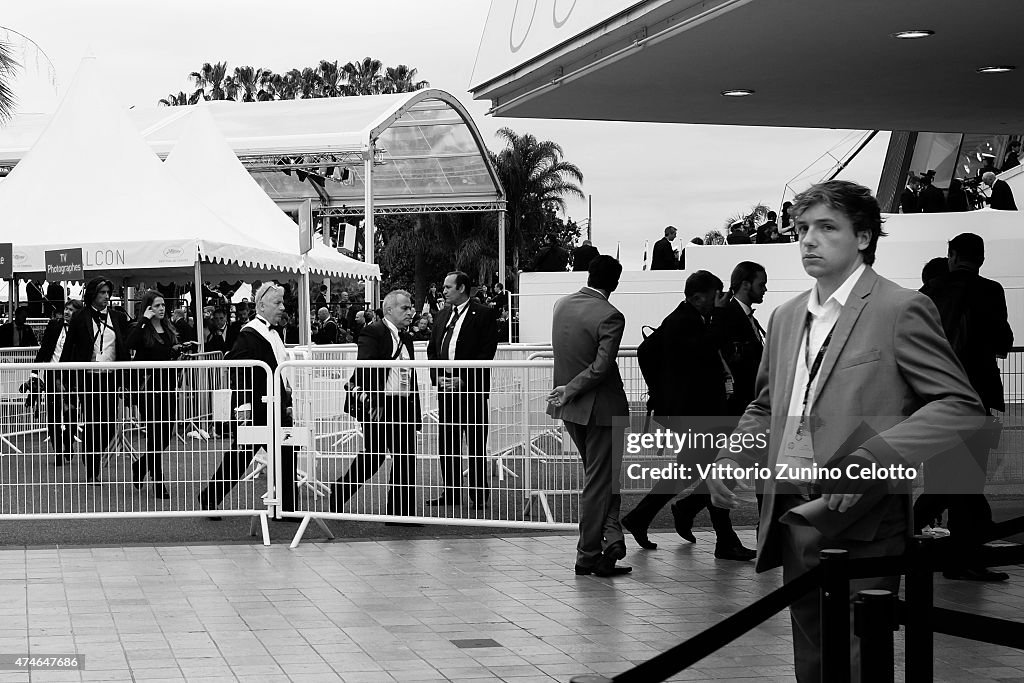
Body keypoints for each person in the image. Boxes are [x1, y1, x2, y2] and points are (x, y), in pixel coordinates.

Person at [705, 180, 986, 683]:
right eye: (802, 229)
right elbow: (767, 405)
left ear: (862, 237)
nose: (808, 241)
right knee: (812, 658)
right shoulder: (786, 316)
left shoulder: (901, 308)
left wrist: (876, 457)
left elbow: (960, 405)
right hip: (792, 508)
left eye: (826, 228)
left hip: (864, 517)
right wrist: (733, 456)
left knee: (857, 660)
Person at [620, 270, 755, 561]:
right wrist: (719, 316)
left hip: (698, 411)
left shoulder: (686, 320)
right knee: (715, 471)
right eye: (713, 296)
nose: (717, 301)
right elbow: (706, 349)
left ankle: (644, 517)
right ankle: (721, 537)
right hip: (696, 412)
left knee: (692, 470)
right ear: (697, 297)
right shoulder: (683, 322)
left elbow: (661, 353)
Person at [917, 233, 1013, 581]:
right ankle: (961, 559)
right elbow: (1003, 341)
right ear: (981, 259)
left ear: (952, 256)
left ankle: (918, 545)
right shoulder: (991, 291)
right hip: (977, 398)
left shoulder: (928, 293)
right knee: (970, 480)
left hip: (937, 399)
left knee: (943, 477)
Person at [547, 255, 632, 577]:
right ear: (616, 282)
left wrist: (567, 391)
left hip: (570, 410)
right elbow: (601, 367)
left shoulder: (561, 306)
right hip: (601, 408)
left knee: (601, 479)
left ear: (589, 274)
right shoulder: (611, 315)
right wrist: (571, 388)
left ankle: (612, 540)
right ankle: (588, 554)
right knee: (600, 483)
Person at [197, 283, 295, 519]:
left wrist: (287, 398)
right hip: (256, 407)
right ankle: (210, 497)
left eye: (282, 302)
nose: (282, 307)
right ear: (261, 305)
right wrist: (244, 407)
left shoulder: (273, 331)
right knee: (240, 457)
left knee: (285, 452)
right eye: (277, 303)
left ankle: (288, 507)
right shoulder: (249, 334)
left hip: (276, 404)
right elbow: (238, 371)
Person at [330, 290, 421, 524]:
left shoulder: (407, 337)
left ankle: (402, 512)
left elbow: (411, 376)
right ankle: (340, 492)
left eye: (411, 307)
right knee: (374, 456)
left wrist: (415, 411)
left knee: (406, 457)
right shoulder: (373, 332)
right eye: (405, 308)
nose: (410, 312)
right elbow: (366, 369)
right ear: (388, 310)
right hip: (379, 405)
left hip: (403, 404)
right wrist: (373, 406)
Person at [426, 271, 499, 507]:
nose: (444, 291)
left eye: (448, 287)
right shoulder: (442, 315)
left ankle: (479, 494)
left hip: (472, 390)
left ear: (462, 288)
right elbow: (432, 350)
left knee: (476, 441)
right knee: (447, 441)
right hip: (446, 390)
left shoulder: (484, 314)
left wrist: (464, 379)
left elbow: (487, 351)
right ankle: (451, 491)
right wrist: (438, 378)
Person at [59, 276, 131, 484]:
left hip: (110, 377)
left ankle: (93, 454)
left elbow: (124, 346)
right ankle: (92, 468)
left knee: (108, 425)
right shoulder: (80, 317)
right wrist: (64, 377)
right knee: (92, 422)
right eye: (102, 293)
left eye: (108, 293)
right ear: (93, 294)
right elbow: (69, 348)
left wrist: (126, 379)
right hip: (88, 378)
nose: (106, 297)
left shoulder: (117, 317)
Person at [127, 290, 192, 499]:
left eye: (163, 305)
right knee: (155, 435)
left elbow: (165, 354)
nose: (161, 309)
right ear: (148, 308)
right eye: (157, 305)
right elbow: (130, 344)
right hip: (148, 389)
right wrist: (144, 321)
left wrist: (178, 353)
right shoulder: (142, 328)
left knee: (164, 436)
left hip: (167, 386)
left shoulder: (168, 328)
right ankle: (158, 481)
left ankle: (141, 465)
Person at [26, 299, 84, 462]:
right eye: (66, 309)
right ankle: (57, 448)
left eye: (71, 310)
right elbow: (44, 348)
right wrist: (35, 372)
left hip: (71, 375)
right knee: (53, 412)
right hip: (52, 372)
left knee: (71, 411)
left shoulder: (80, 329)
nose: (67, 312)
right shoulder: (53, 325)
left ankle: (69, 440)